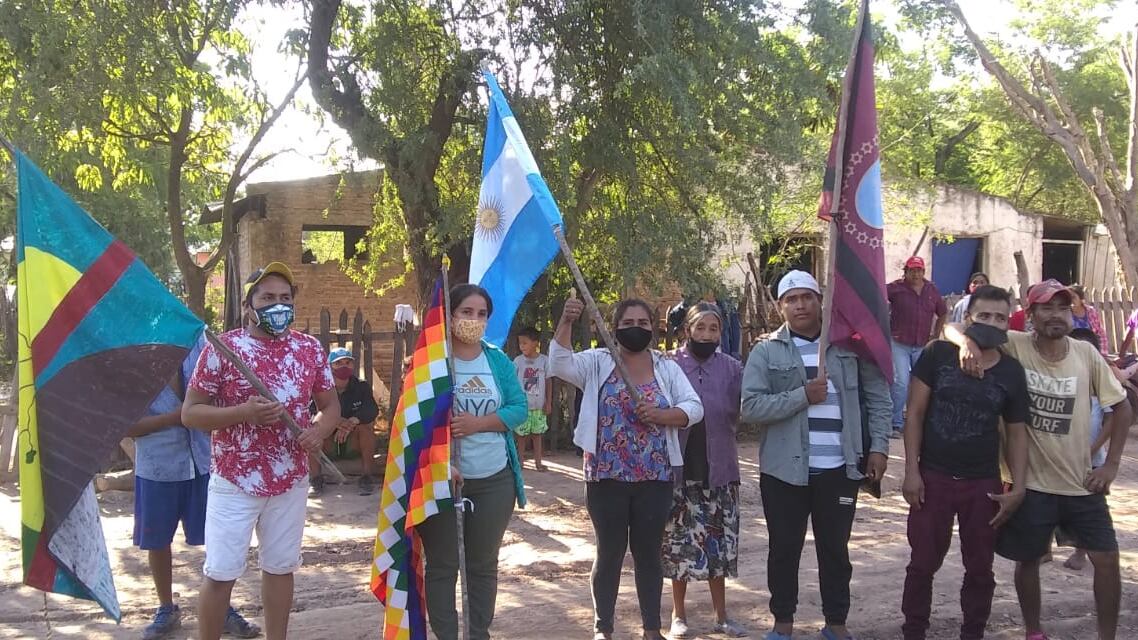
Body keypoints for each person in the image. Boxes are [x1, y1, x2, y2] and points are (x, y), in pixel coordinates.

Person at [950, 279, 1132, 640]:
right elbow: (952, 326)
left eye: (1063, 308)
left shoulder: (1086, 355)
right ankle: (1034, 631)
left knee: (1107, 559)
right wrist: (968, 343)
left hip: (1081, 481)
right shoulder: (1015, 345)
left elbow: (1122, 407)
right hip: (1030, 483)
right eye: (1046, 308)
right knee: (1029, 560)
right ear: (1030, 315)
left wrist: (1110, 464)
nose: (1056, 315)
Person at [182, 262, 341, 640]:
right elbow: (191, 413)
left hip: (290, 478)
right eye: (267, 297)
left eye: (285, 298)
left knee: (281, 567)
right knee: (220, 572)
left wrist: (317, 431)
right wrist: (243, 413)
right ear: (249, 304)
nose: (278, 305)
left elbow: (331, 406)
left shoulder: (308, 349)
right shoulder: (223, 348)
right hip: (235, 479)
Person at [740, 270, 891, 640]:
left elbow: (878, 398)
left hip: (839, 468)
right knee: (784, 550)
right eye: (791, 299)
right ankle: (782, 626)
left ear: (820, 300)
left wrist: (879, 447)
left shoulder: (850, 347)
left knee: (835, 551)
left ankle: (836, 626)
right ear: (781, 307)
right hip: (784, 472)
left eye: (807, 296)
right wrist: (802, 396)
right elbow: (751, 407)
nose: (800, 305)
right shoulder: (766, 350)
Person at [551, 296, 704, 640]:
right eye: (628, 323)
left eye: (643, 324)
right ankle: (603, 629)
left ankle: (652, 629)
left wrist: (663, 416)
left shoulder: (666, 367)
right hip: (605, 476)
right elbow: (559, 364)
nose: (636, 329)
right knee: (610, 552)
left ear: (654, 328)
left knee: (648, 554)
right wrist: (566, 322)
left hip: (656, 477)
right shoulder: (598, 362)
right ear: (614, 328)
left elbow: (694, 407)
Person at [899, 285, 1031, 640]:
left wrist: (1017, 487)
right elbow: (914, 414)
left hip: (983, 484)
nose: (991, 323)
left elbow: (1017, 434)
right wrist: (911, 471)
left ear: (1009, 323)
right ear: (969, 316)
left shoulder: (1012, 373)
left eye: (1000, 317)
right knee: (922, 564)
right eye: (984, 315)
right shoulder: (938, 354)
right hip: (934, 476)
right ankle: (914, 631)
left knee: (980, 569)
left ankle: (973, 632)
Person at [128, 337, 260, 640]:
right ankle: (166, 608)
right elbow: (125, 427)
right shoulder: (136, 368)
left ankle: (221, 608)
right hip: (157, 468)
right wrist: (175, 418)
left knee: (217, 540)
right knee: (157, 540)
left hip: (204, 463)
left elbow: (219, 400)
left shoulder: (199, 353)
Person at [417, 283, 528, 640]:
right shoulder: (431, 362)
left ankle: (478, 633)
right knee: (444, 565)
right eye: (466, 312)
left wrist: (478, 424)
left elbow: (518, 409)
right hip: (443, 480)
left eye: (482, 314)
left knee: (483, 565)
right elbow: (412, 427)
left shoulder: (496, 359)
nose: (474, 320)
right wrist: (441, 462)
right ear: (449, 316)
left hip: (494, 479)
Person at [663, 303, 747, 639]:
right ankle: (678, 615)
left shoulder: (732, 368)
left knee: (719, 549)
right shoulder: (668, 365)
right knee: (678, 546)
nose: (707, 334)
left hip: (720, 470)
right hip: (679, 472)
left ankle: (722, 616)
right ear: (687, 330)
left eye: (714, 329)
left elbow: (746, 407)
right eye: (701, 328)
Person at [887, 256, 947, 437]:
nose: (916, 274)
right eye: (912, 270)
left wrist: (935, 335)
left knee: (923, 384)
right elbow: (876, 298)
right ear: (905, 271)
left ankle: (918, 421)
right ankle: (895, 423)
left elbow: (942, 312)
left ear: (923, 272)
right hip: (899, 342)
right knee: (901, 383)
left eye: (919, 270)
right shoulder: (895, 288)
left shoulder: (931, 290)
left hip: (922, 344)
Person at [308, 347, 380, 497]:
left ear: (353, 365)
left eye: (348, 362)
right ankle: (315, 479)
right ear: (329, 367)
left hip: (352, 439)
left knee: (366, 429)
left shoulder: (361, 387)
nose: (344, 366)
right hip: (328, 442)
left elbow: (371, 409)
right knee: (312, 431)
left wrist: (353, 421)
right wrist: (334, 421)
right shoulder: (318, 387)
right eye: (338, 363)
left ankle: (366, 477)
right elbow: (309, 411)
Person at [513, 326, 552, 471]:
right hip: (522, 406)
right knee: (521, 435)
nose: (521, 346)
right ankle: (520, 462)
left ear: (535, 343)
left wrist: (548, 402)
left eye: (525, 343)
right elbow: (511, 381)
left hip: (539, 406)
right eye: (520, 343)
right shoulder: (517, 361)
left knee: (537, 434)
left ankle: (538, 462)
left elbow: (548, 381)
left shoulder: (544, 361)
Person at [1068, 285, 1109, 356]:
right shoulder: (1066, 313)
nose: (1071, 300)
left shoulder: (1091, 312)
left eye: (1073, 297)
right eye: (1068, 298)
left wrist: (1102, 353)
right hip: (1072, 352)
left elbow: (1101, 334)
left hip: (1091, 350)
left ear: (1081, 299)